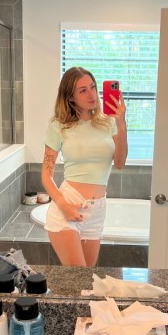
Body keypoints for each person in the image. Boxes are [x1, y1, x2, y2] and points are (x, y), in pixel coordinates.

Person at [41, 67, 128, 267]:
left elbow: (120, 163)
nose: (91, 94)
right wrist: (63, 205)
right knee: (78, 278)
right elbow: (46, 174)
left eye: (93, 87)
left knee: (86, 282)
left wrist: (122, 125)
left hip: (96, 211)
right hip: (69, 205)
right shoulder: (59, 125)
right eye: (83, 90)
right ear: (70, 97)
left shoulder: (109, 123)